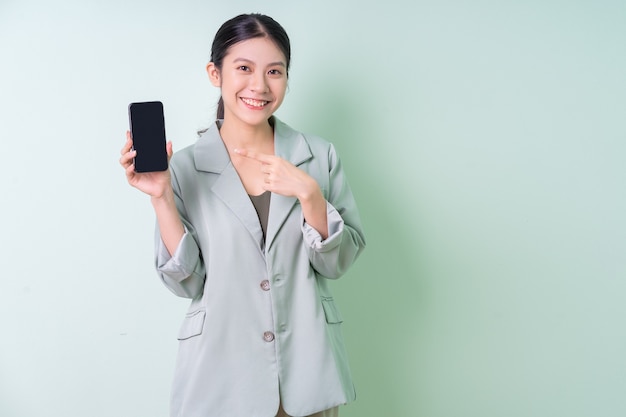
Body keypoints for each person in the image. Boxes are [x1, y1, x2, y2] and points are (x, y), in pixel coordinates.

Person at [119, 13, 365, 417]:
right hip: (220, 377)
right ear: (215, 73)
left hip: (307, 378)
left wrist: (309, 193)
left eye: (274, 71)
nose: (259, 86)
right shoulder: (182, 168)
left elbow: (336, 263)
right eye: (244, 68)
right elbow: (187, 282)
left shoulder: (318, 157)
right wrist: (161, 197)